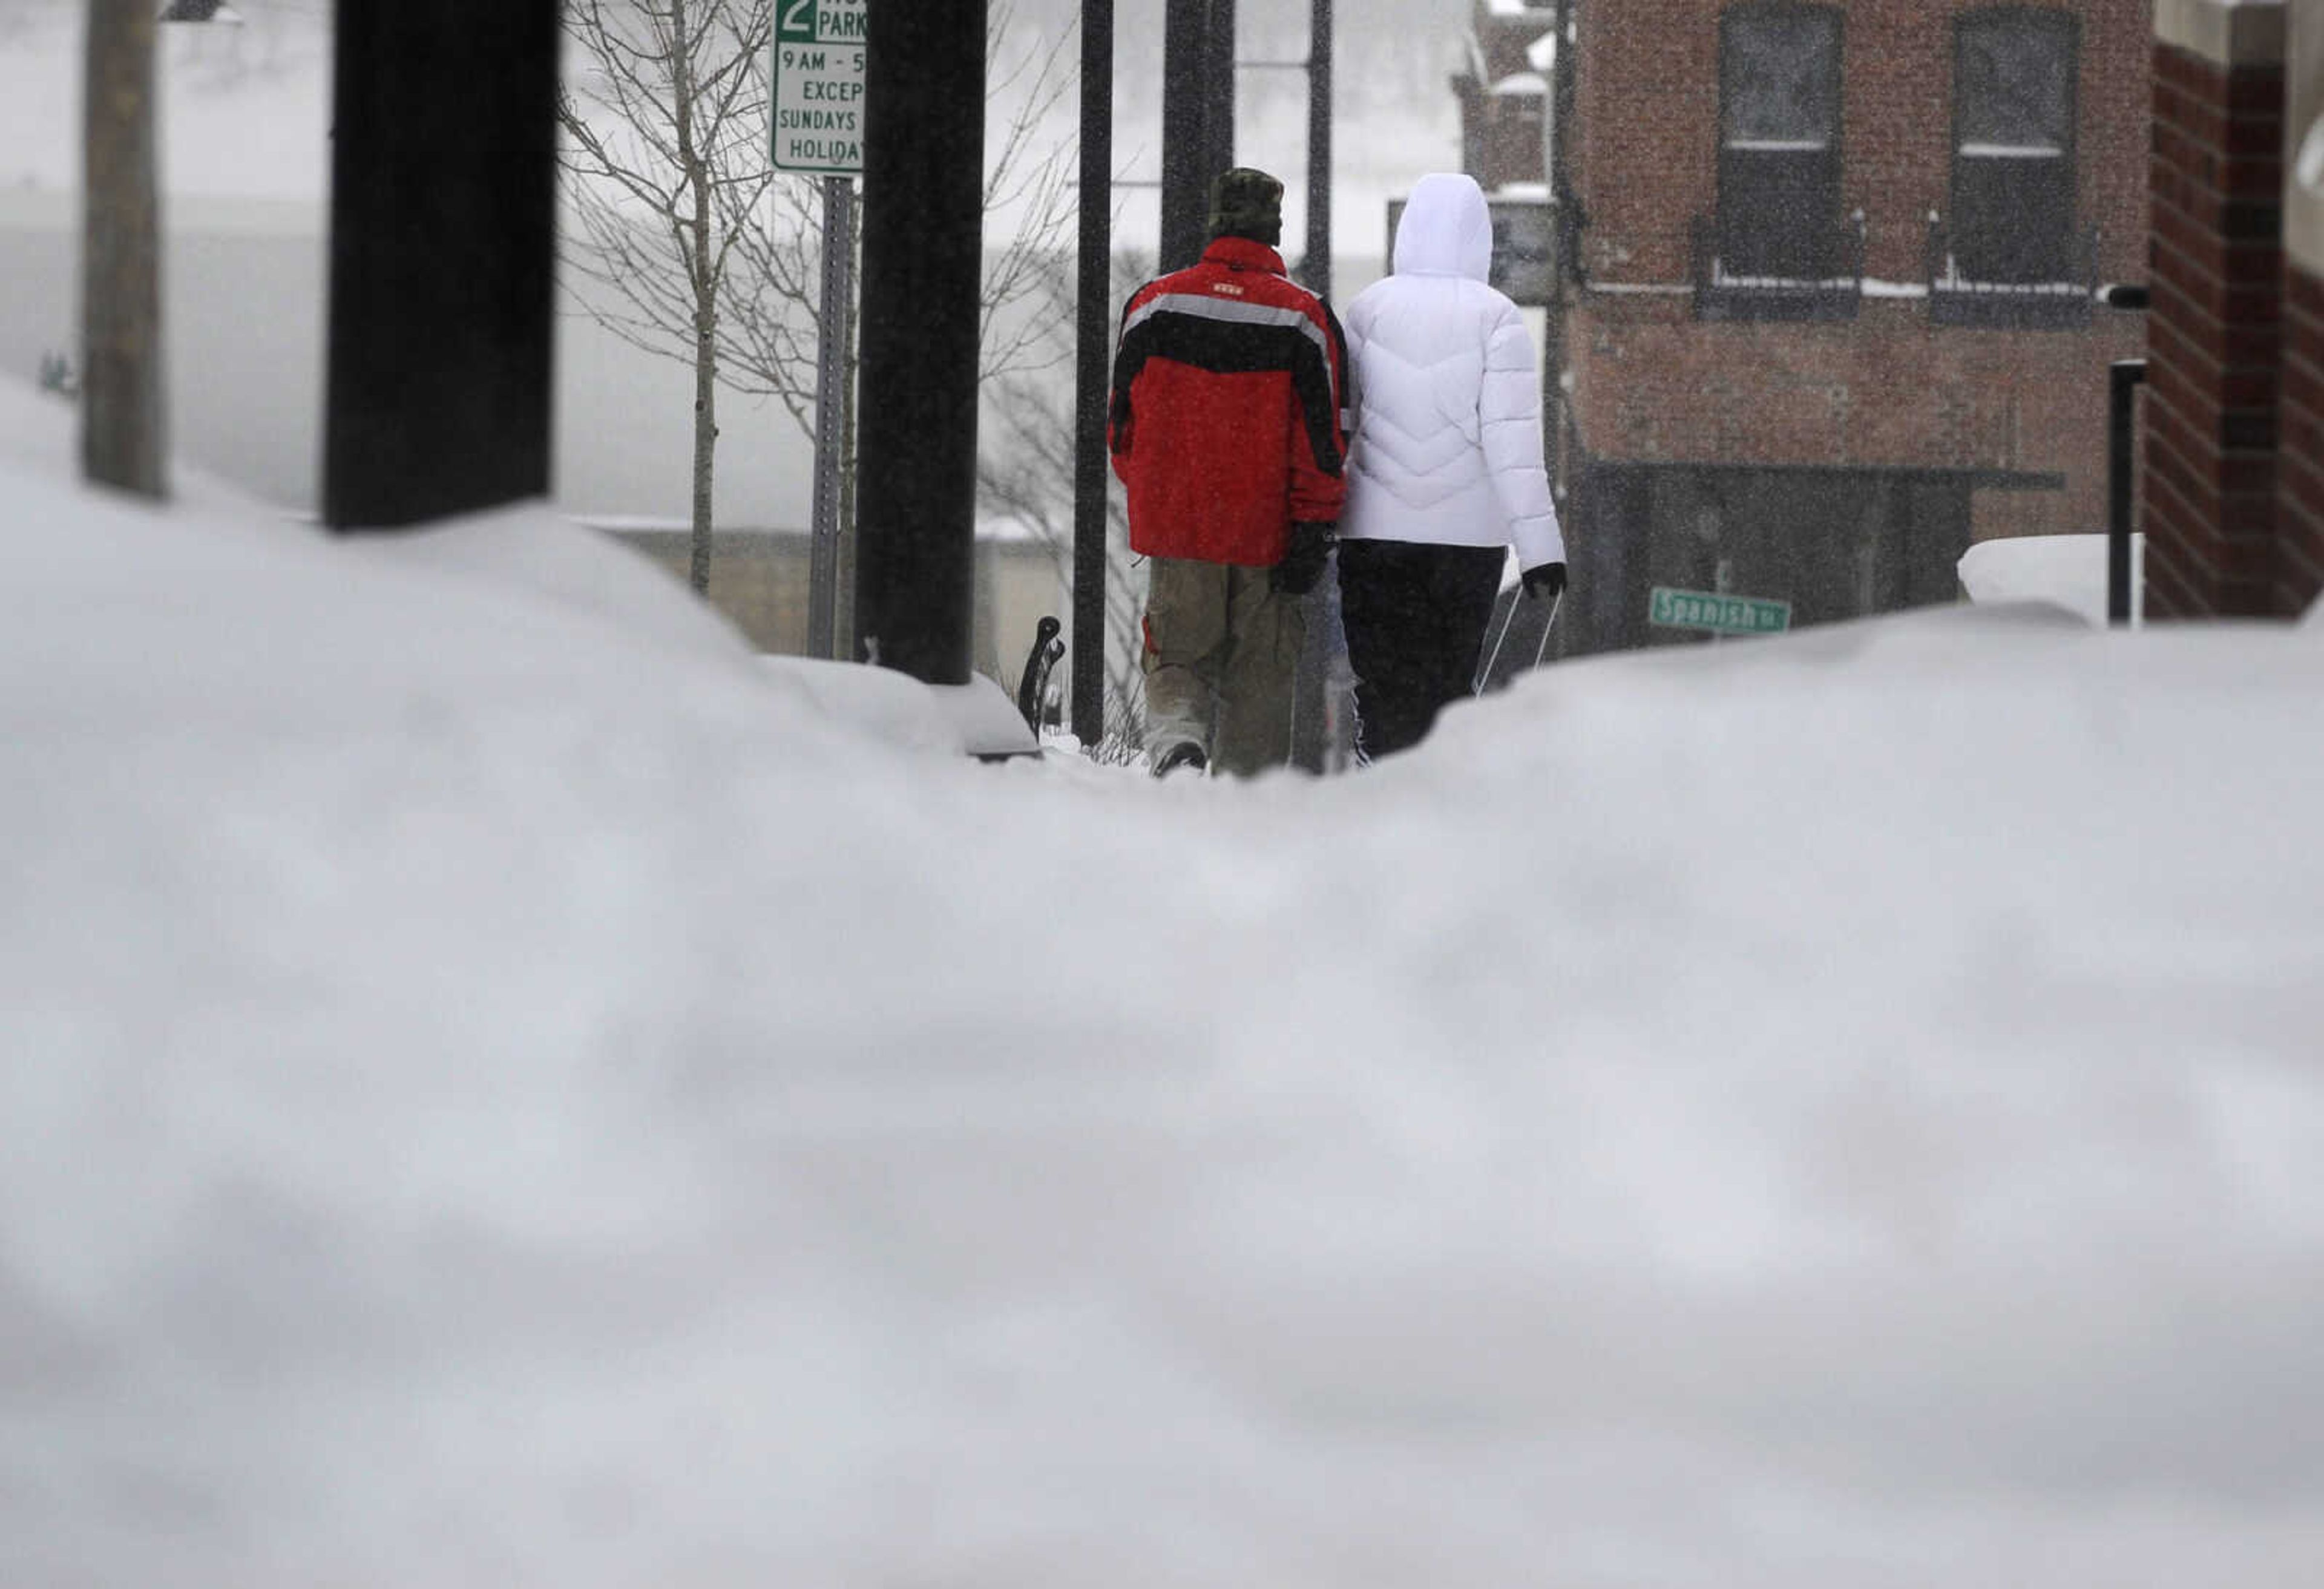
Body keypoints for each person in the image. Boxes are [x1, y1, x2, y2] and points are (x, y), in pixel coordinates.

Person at [1109, 167, 1353, 778]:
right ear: (1274, 229)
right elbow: (1326, 440)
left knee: (1178, 658)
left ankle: (1177, 745)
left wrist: (1158, 489)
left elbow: (1120, 427)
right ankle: (1245, 804)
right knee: (1260, 680)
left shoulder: (1153, 306)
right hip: (1266, 534)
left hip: (1179, 527)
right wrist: (1314, 525)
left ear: (1214, 222)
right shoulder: (1305, 319)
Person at [1336, 171, 1567, 759]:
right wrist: (1540, 550)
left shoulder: (1367, 309)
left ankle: (1379, 774)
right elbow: (1514, 446)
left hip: (1374, 532)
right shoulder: (1497, 317)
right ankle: (1432, 798)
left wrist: (1313, 520)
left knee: (1383, 679)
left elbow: (1337, 422)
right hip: (1465, 545)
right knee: (1446, 687)